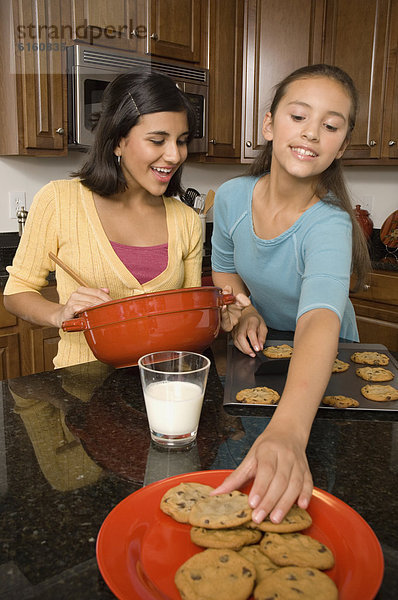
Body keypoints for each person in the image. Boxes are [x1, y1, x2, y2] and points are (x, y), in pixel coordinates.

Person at [211, 64, 371, 524]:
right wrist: (247, 310)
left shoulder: (331, 224)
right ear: (268, 124)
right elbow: (224, 270)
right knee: (241, 455)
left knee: (312, 476)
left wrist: (289, 427)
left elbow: (319, 318)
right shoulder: (231, 198)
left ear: (341, 145)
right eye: (299, 116)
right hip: (262, 350)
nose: (312, 133)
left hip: (328, 355)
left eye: (331, 125)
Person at [4, 71, 204, 368]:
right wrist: (59, 314)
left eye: (182, 141)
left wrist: (219, 314)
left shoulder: (186, 220)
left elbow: (190, 314)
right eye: (158, 140)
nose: (175, 155)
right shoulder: (59, 201)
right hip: (82, 389)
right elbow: (16, 292)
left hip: (164, 385)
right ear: (117, 142)